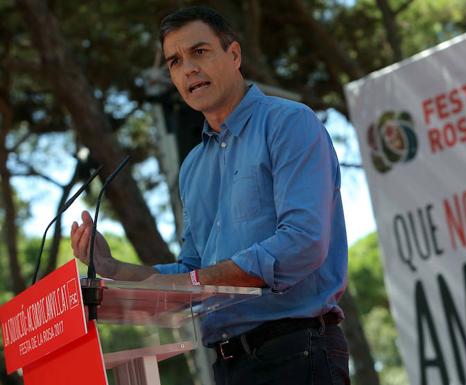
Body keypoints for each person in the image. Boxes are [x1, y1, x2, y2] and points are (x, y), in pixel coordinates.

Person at [70, 5, 350, 385]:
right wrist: (115, 269)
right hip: (227, 365)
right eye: (175, 61)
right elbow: (190, 272)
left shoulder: (288, 123)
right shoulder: (192, 168)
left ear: (234, 55)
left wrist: (200, 281)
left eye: (199, 52)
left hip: (296, 351)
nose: (188, 69)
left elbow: (303, 242)